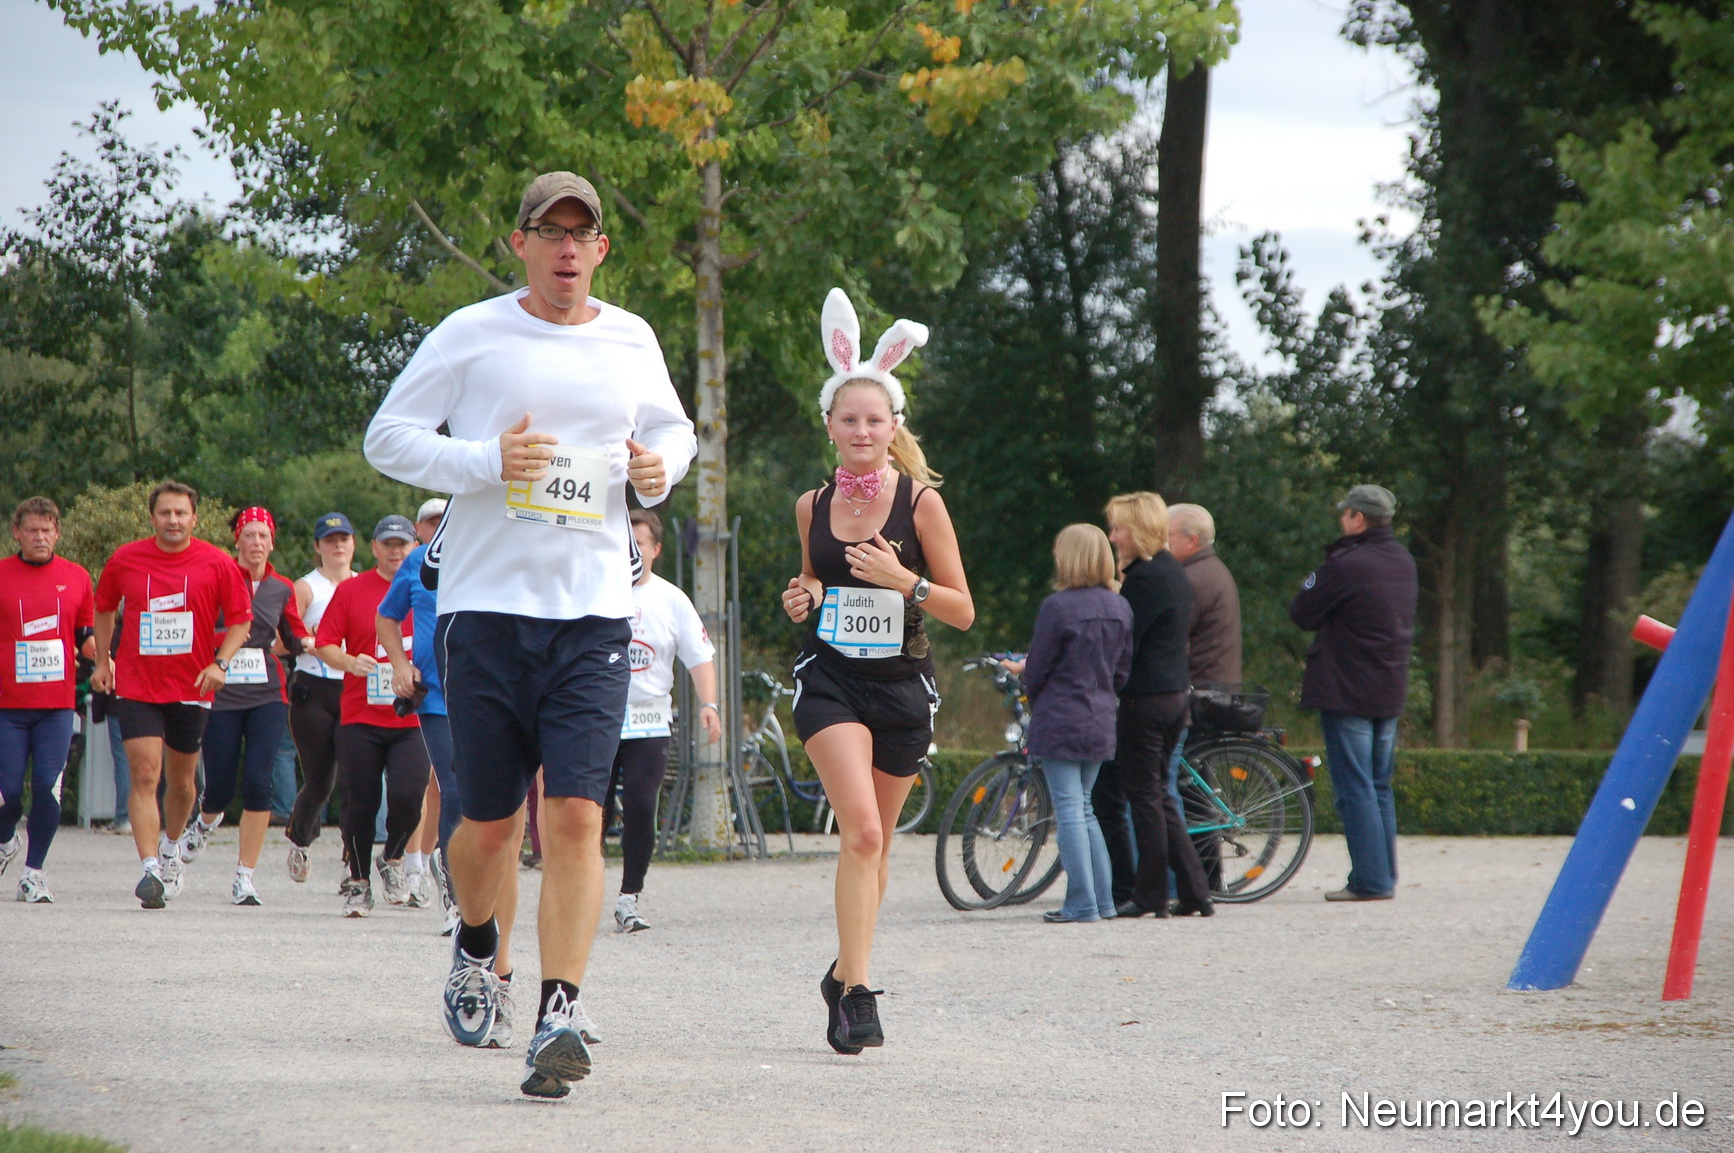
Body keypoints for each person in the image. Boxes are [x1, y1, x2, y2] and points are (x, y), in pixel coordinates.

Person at [364, 171, 697, 1098]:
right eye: (547, 230)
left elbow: (677, 432)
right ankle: (478, 942)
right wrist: (481, 460)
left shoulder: (632, 338)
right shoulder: (470, 334)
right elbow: (385, 437)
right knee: (490, 825)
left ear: (599, 250)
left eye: (579, 234)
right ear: (519, 242)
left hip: (593, 612)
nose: (564, 248)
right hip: (485, 613)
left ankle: (559, 1008)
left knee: (578, 815)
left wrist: (657, 467)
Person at [781, 288, 973, 1054]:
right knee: (859, 831)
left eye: (875, 418)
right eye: (848, 418)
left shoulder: (921, 503)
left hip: (901, 685)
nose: (862, 430)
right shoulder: (810, 503)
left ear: (894, 427)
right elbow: (812, 585)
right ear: (829, 423)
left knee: (878, 848)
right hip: (829, 679)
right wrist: (804, 596)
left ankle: (842, 967)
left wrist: (906, 582)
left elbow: (960, 608)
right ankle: (858, 995)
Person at [92, 481, 254, 909]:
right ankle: (149, 870)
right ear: (153, 518)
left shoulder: (217, 563)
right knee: (145, 774)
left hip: (192, 685)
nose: (173, 520)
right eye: (165, 513)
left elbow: (241, 621)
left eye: (181, 513)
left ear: (194, 518)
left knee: (182, 782)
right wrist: (103, 661)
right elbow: (104, 606)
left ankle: (171, 847)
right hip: (138, 683)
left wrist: (220, 663)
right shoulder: (126, 559)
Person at [1288, 484, 1417, 902]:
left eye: (1344, 515)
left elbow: (1302, 611)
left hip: (1348, 687)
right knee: (1379, 785)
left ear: (1357, 518)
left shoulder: (1347, 563)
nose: (1341, 522)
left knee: (1355, 787)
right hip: (1389, 685)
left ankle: (1370, 880)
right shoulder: (1403, 560)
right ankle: (1383, 875)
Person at [180, 508, 315, 905]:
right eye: (249, 535)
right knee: (219, 786)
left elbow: (292, 633)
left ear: (272, 542)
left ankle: (245, 876)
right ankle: (205, 822)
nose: (256, 542)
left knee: (259, 781)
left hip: (267, 692)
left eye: (263, 536)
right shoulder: (218, 576)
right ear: (237, 541)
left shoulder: (281, 588)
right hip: (221, 689)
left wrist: (310, 643)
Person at [1000, 525, 1130, 924]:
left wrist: (1021, 673)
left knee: (1070, 811)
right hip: (1102, 716)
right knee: (1086, 809)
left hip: (1061, 716)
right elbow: (1122, 671)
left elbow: (1037, 670)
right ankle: (1103, 901)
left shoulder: (1058, 607)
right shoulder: (1119, 606)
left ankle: (1081, 903)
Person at [1098, 491, 1214, 919]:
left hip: (1145, 699)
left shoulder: (1147, 579)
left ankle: (1150, 896)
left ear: (1138, 530)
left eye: (1118, 528)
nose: (1112, 537)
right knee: (1160, 796)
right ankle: (1194, 891)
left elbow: (1124, 644)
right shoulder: (1170, 572)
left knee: (1144, 797)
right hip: (1173, 695)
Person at [610, 509, 721, 932]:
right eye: (625, 542)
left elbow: (700, 659)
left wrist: (709, 705)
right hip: (597, 720)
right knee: (587, 811)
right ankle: (576, 893)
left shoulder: (672, 599)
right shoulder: (595, 593)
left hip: (648, 721)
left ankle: (628, 897)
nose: (632, 550)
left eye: (640, 543)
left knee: (640, 805)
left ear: (656, 549)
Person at [313, 515, 429, 917]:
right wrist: (348, 661)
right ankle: (359, 882)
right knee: (360, 803)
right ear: (374, 548)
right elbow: (323, 644)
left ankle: (392, 856)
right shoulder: (351, 590)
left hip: (413, 717)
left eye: (403, 544)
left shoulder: (427, 584)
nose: (396, 551)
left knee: (410, 797)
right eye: (388, 544)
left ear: (414, 546)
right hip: (361, 715)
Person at [0, 497, 96, 903]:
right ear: (16, 533)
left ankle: (34, 873)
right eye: (32, 530)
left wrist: (109, 661)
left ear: (57, 532)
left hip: (56, 706)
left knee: (47, 787)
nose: (40, 537)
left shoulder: (76, 577)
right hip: (7, 706)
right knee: (6, 793)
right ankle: (6, 840)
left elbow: (85, 637)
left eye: (47, 530)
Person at [1166, 502, 1242, 889]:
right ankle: (1205, 877)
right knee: (1193, 786)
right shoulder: (1211, 571)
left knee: (1184, 788)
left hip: (1198, 692)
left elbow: (1172, 638)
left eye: (1168, 536)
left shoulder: (1192, 580)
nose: (1162, 544)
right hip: (1214, 686)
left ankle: (1201, 877)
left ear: (1191, 540)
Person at [286, 512, 357, 883]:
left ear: (355, 544)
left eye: (344, 539)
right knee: (320, 781)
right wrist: (306, 641)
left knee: (354, 779)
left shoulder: (363, 586)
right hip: (313, 688)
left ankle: (353, 861)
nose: (338, 546)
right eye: (330, 540)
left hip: (353, 687)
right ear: (318, 547)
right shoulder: (306, 587)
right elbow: (284, 637)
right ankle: (300, 837)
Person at [394, 496, 451, 913]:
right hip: (436, 695)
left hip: (488, 692)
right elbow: (386, 616)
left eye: (445, 520)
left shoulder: (484, 553)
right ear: (419, 529)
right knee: (453, 792)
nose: (439, 527)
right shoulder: (415, 562)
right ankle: (455, 898)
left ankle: (455, 873)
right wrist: (400, 665)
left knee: (480, 797)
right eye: (431, 522)